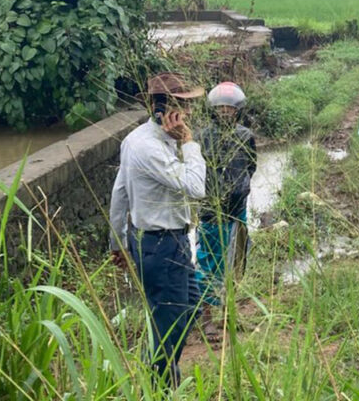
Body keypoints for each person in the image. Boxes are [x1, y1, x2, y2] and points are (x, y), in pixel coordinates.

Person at [109, 72, 206, 388]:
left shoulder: (136, 139)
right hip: (162, 245)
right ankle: (161, 383)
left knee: (188, 306)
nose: (189, 115)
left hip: (162, 242)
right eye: (184, 107)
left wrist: (118, 242)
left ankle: (164, 371)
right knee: (170, 318)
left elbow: (119, 192)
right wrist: (190, 145)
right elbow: (195, 187)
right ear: (165, 111)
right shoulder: (148, 147)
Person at [195, 82, 257, 339]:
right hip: (211, 210)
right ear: (213, 109)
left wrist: (238, 192)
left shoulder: (245, 136)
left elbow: (251, 167)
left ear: (237, 111)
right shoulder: (202, 137)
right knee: (208, 262)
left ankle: (230, 314)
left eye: (229, 109)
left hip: (237, 210)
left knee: (236, 260)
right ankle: (207, 319)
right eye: (220, 108)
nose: (225, 112)